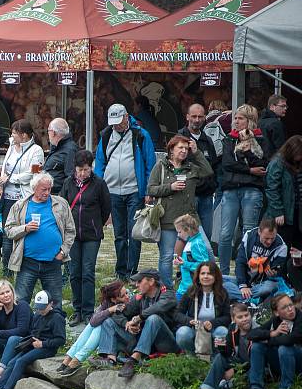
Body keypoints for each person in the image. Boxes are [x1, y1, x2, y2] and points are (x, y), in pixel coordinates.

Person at [94, 103, 156, 281]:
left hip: (134, 191)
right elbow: (100, 163)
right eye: (113, 122)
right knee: (119, 233)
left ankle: (132, 270)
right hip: (112, 191)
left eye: (119, 121)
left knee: (133, 232)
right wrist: (100, 188)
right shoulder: (106, 136)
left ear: (126, 117)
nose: (116, 125)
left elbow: (150, 164)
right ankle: (121, 269)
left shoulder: (141, 135)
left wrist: (147, 191)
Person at [0, 290, 66, 389]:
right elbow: (33, 331)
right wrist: (29, 341)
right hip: (33, 344)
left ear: (51, 304)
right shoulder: (38, 315)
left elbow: (61, 340)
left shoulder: (57, 318)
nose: (41, 310)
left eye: (43, 307)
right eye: (38, 308)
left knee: (21, 361)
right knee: (12, 362)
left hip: (47, 348)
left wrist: (43, 344)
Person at [147, 135, 213, 286]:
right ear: (171, 150)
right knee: (167, 256)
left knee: (208, 251)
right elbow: (151, 189)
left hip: (191, 219)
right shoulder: (161, 166)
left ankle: (208, 284)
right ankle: (167, 290)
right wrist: (170, 187)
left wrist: (196, 153)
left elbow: (208, 172)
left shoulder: (191, 167)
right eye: (180, 148)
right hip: (168, 219)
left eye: (186, 148)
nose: (184, 151)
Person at [5, 172, 75, 309]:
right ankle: (22, 329)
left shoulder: (60, 204)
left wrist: (63, 252)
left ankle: (55, 329)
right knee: (21, 302)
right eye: (44, 189)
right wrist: (24, 228)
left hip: (52, 262)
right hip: (27, 262)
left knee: (55, 303)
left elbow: (70, 231)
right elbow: (8, 230)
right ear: (34, 188)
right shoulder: (20, 206)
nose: (47, 192)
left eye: (49, 189)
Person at [96, 269, 179, 378]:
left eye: (139, 281)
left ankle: (134, 360)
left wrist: (139, 317)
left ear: (151, 281)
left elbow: (158, 307)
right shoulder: (141, 297)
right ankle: (110, 360)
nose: (136, 285)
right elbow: (120, 312)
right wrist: (126, 323)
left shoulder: (168, 293)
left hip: (166, 343)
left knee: (153, 318)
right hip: (145, 343)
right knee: (108, 322)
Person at [60, 150, 111, 325]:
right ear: (75, 168)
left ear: (91, 168)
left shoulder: (99, 184)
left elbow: (106, 208)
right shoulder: (68, 183)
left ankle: (88, 310)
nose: (82, 173)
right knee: (74, 272)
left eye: (86, 169)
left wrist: (96, 223)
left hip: (92, 234)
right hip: (72, 235)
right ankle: (77, 310)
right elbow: (62, 206)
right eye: (80, 169)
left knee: (88, 271)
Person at [219, 104, 267, 275]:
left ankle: (245, 272)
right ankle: (223, 273)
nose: (236, 121)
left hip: (252, 189)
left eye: (240, 118)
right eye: (235, 118)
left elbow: (261, 163)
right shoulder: (229, 139)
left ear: (250, 121)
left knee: (249, 232)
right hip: (231, 188)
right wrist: (248, 170)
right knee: (225, 234)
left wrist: (248, 148)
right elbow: (227, 164)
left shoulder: (260, 138)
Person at [0, 119, 45, 274]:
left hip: (24, 197)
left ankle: (25, 269)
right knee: (7, 233)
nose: (11, 135)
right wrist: (3, 177)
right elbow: (5, 166)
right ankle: (7, 270)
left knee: (23, 232)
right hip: (8, 196)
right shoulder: (12, 145)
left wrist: (12, 178)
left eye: (14, 133)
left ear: (24, 135)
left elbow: (34, 173)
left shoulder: (36, 151)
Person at [189, 303, 253, 389]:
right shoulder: (233, 328)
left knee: (248, 375)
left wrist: (234, 370)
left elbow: (257, 359)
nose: (244, 319)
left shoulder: (257, 329)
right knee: (219, 357)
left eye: (246, 315)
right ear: (233, 319)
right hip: (240, 362)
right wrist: (222, 349)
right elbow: (228, 353)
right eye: (240, 317)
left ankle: (229, 383)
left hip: (253, 366)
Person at [59, 281, 128, 376]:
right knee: (94, 325)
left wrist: (109, 312)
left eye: (127, 292)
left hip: (122, 341)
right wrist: (110, 310)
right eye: (123, 295)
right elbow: (93, 321)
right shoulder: (107, 303)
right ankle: (70, 358)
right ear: (113, 299)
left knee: (102, 324)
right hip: (111, 338)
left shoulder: (129, 303)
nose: (128, 296)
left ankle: (77, 359)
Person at [247, 294, 302, 389]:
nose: (290, 309)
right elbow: (251, 334)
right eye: (284, 307)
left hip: (299, 362)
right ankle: (256, 388)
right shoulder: (275, 320)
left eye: (291, 305)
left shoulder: (300, 318)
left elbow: (290, 339)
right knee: (257, 346)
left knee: (284, 348)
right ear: (277, 313)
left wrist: (269, 341)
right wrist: (273, 333)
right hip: (283, 363)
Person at [178, 104, 219, 237]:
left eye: (200, 116)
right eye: (194, 116)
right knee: (189, 235)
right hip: (189, 195)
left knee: (205, 235)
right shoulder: (179, 138)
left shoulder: (207, 140)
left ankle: (201, 259)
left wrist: (213, 185)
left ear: (205, 118)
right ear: (187, 117)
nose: (197, 120)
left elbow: (213, 166)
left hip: (206, 195)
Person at [224, 218, 288, 302]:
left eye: (272, 238)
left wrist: (273, 274)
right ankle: (250, 298)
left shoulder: (281, 247)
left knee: (268, 288)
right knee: (220, 279)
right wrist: (243, 285)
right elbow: (240, 262)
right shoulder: (249, 236)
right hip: (246, 278)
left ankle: (242, 297)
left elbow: (279, 273)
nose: (269, 242)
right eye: (266, 238)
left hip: (263, 284)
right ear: (259, 232)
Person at [174, 261, 231, 354]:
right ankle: (191, 356)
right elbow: (177, 314)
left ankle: (217, 356)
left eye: (209, 274)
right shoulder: (191, 291)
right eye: (203, 273)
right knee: (182, 333)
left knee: (223, 332)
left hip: (214, 329)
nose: (205, 276)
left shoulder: (222, 293)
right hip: (195, 329)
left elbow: (228, 317)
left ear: (215, 276)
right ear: (198, 276)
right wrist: (189, 321)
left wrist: (213, 323)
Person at [265, 135, 302, 254]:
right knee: (282, 248)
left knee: (297, 248)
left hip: (297, 212)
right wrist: (278, 211)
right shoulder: (277, 163)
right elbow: (272, 188)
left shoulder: (298, 163)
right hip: (284, 213)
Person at [174, 215, 214, 299]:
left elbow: (204, 266)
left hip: (192, 289)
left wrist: (184, 263)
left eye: (179, 232)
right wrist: (181, 262)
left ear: (187, 230)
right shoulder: (190, 242)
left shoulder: (197, 244)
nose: (178, 235)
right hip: (184, 288)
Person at [44, 118, 77, 195]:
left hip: (58, 197)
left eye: (48, 131)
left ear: (53, 133)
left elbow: (71, 177)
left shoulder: (70, 149)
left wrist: (61, 197)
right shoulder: (57, 146)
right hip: (49, 194)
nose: (48, 134)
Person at [258, 94, 288, 161]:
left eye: (286, 106)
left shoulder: (259, 122)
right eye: (283, 106)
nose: (285, 108)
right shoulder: (276, 123)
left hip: (261, 162)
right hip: (274, 162)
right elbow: (281, 147)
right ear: (272, 107)